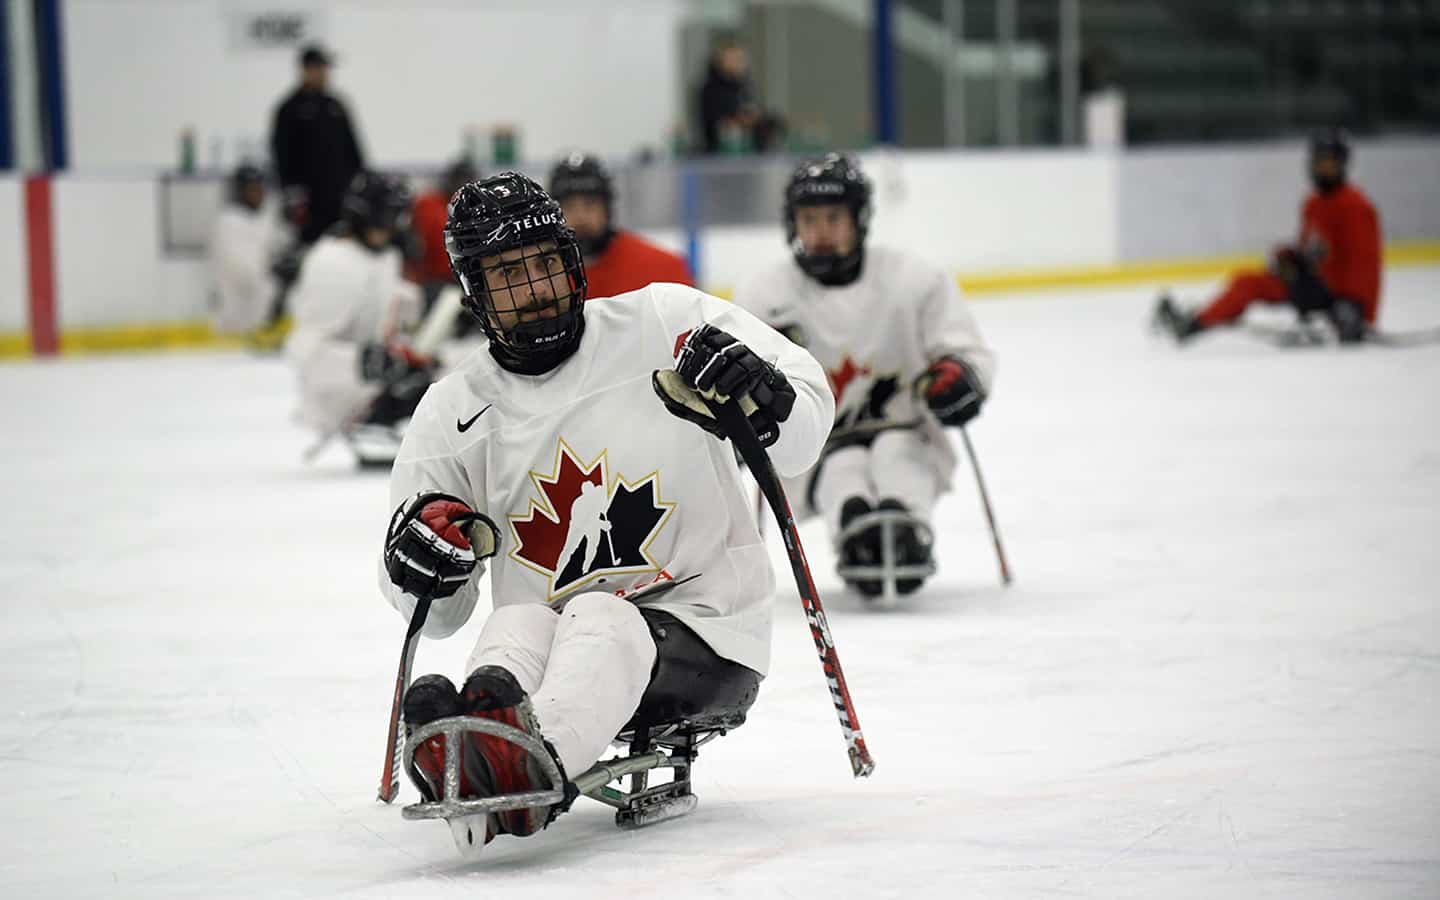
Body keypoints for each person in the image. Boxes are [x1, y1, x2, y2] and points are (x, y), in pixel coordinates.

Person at [378, 172, 831, 846]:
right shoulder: (454, 410)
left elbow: (806, 427)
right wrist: (421, 565)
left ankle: (529, 763)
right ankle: (477, 741)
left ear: (571, 262)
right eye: (508, 275)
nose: (534, 289)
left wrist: (763, 396)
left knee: (599, 614)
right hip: (559, 645)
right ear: (474, 294)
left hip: (707, 631)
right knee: (519, 618)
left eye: (545, 265)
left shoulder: (666, 322)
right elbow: (439, 617)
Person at [733, 153, 996, 600]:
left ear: (860, 219)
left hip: (906, 428)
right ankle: (854, 529)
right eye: (808, 219)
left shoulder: (913, 280)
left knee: (898, 453)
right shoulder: (766, 294)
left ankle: (905, 524)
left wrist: (958, 375)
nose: (819, 233)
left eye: (834, 218)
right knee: (842, 469)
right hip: (818, 446)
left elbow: (962, 348)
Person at [1154, 129, 1382, 345]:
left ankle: (1193, 324)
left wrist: (1357, 310)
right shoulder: (1313, 202)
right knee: (1247, 282)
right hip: (1315, 286)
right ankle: (1199, 320)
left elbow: (1365, 264)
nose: (1322, 167)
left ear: (1342, 164)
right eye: (1318, 160)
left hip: (1337, 298)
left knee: (1248, 284)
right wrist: (1291, 257)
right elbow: (1313, 251)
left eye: (1329, 161)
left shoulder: (1355, 205)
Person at [284, 171, 427, 466]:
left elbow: (387, 303)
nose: (393, 228)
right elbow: (306, 350)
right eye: (388, 218)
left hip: (373, 380)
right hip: (337, 392)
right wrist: (365, 363)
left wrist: (427, 301)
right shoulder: (331, 263)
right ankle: (371, 423)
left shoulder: (385, 256)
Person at [548, 152, 693, 297]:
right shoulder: (538, 277)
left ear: (608, 209)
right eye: (569, 206)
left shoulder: (663, 269)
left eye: (590, 204)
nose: (580, 216)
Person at [269, 44, 366, 245]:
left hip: (340, 198)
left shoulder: (336, 105)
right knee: (310, 248)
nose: (324, 73)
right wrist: (291, 194)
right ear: (306, 70)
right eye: (319, 68)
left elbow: (353, 150)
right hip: (309, 202)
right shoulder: (289, 109)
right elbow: (281, 155)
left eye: (325, 68)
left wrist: (361, 183)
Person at [207, 163, 288, 337]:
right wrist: (275, 268)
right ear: (239, 191)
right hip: (235, 316)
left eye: (260, 188)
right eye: (252, 189)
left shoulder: (265, 218)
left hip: (259, 320)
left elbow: (276, 246)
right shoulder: (228, 222)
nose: (258, 194)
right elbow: (243, 267)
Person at [408, 157, 480, 306]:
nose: (461, 185)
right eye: (459, 179)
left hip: (465, 279)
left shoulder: (475, 209)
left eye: (467, 180)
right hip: (432, 280)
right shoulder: (427, 204)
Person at [696, 37, 784, 154]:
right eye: (731, 59)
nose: (736, 63)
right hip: (719, 154)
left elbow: (752, 110)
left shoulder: (744, 86)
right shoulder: (710, 89)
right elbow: (720, 122)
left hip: (751, 153)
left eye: (739, 59)